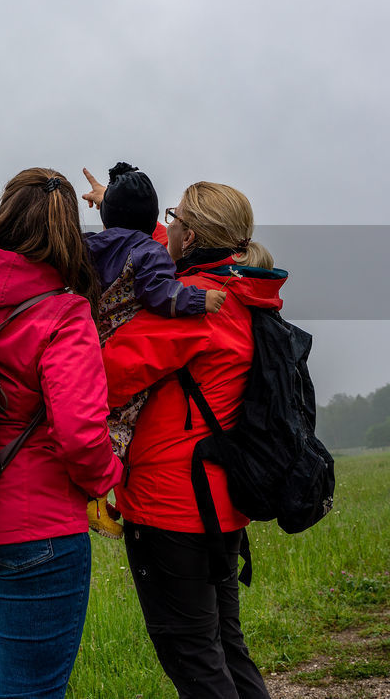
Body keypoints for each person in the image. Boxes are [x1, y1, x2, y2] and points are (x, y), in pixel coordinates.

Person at [0, 165, 124, 699]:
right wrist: (109, 475)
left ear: (5, 216)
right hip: (36, 536)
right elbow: (81, 435)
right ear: (66, 234)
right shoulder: (64, 313)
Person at [101, 180, 279, 699]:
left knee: (194, 659)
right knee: (224, 645)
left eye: (174, 219)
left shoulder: (195, 312)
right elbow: (176, 254)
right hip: (219, 502)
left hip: (172, 507)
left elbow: (105, 375)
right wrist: (125, 227)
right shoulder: (240, 291)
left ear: (193, 234)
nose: (168, 226)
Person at [78, 162, 226, 539]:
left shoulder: (86, 245)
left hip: (87, 344)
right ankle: (95, 499)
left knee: (94, 423)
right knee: (120, 425)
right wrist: (198, 300)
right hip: (119, 351)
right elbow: (162, 294)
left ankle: (96, 495)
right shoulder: (151, 253)